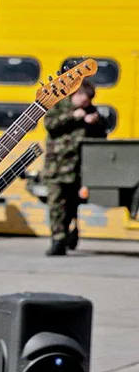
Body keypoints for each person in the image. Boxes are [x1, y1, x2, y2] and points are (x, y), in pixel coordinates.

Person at [42, 80, 106, 256]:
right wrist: (75, 116)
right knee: (56, 204)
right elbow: (50, 125)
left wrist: (95, 122)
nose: (86, 105)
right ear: (75, 95)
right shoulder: (60, 107)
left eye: (88, 102)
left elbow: (102, 135)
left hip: (77, 169)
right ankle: (58, 240)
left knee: (71, 205)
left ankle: (68, 234)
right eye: (84, 101)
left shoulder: (91, 111)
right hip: (56, 167)